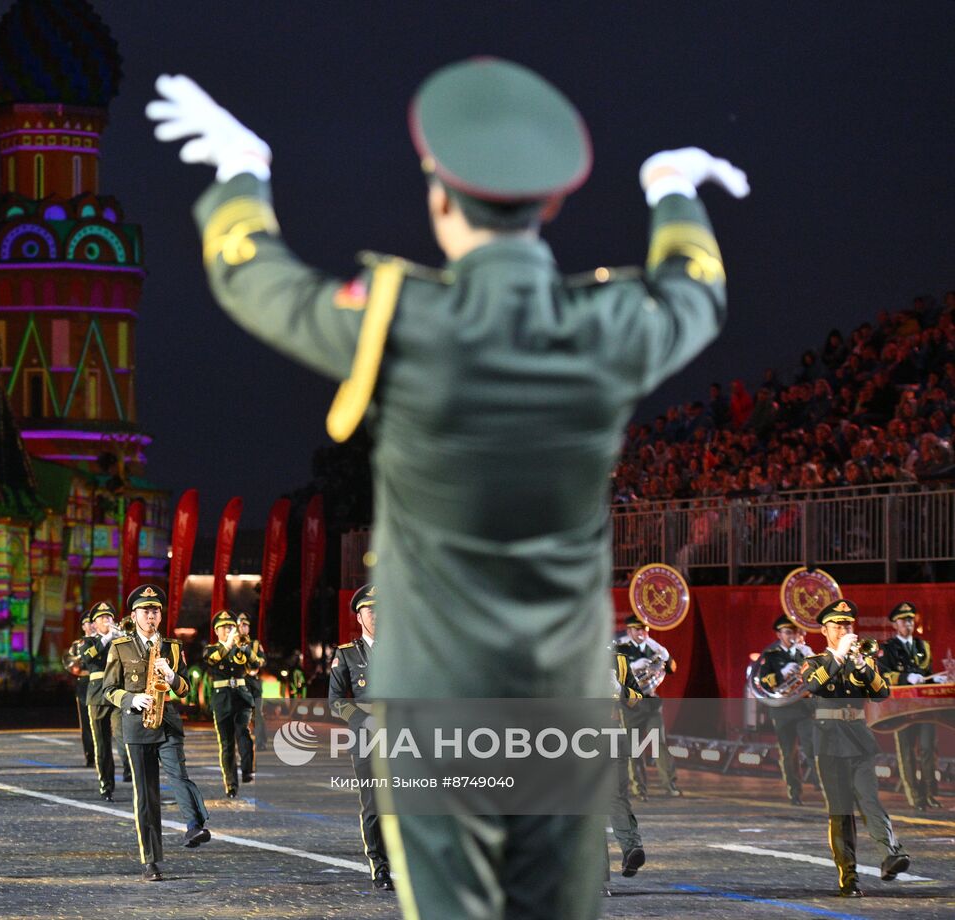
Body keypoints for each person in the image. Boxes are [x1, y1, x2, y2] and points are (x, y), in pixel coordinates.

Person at [147, 56, 747, 919]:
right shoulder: (609, 323)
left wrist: (244, 173)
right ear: (555, 203)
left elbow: (257, 279)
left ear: (439, 198)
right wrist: (672, 191)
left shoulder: (404, 318)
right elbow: (697, 292)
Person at [800, 599, 910, 897]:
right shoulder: (816, 662)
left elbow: (881, 693)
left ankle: (891, 855)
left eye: (848, 625)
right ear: (825, 630)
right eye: (838, 626)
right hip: (830, 741)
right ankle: (848, 877)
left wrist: (863, 666)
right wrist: (837, 655)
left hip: (859, 739)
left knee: (870, 799)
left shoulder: (862, 660)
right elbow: (815, 687)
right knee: (841, 812)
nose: (845, 630)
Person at [100, 584, 211, 880]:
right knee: (146, 794)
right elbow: (108, 689)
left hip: (168, 721)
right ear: (134, 615)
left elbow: (185, 688)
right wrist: (132, 699)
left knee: (179, 774)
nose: (151, 616)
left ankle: (194, 826)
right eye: (146, 611)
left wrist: (173, 676)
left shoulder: (173, 647)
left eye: (155, 611)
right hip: (136, 724)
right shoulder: (120, 647)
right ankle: (150, 860)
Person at [328, 586, 392, 891]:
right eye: (370, 610)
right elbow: (335, 700)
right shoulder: (347, 654)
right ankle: (379, 866)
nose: (376, 615)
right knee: (373, 803)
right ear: (359, 616)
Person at [881, 602, 942, 809]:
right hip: (901, 708)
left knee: (928, 748)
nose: (907, 624)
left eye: (910, 620)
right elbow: (884, 676)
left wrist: (938, 680)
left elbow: (928, 675)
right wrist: (907, 677)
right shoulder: (887, 648)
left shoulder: (922, 646)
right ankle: (915, 797)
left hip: (923, 706)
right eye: (903, 620)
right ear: (895, 624)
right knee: (907, 751)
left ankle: (929, 793)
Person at [614, 615, 682, 798]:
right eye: (638, 630)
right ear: (629, 631)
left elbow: (672, 669)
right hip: (630, 704)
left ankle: (670, 785)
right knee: (633, 747)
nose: (642, 633)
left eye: (644, 630)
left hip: (651, 701)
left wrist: (666, 658)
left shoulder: (654, 647)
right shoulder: (619, 646)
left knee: (659, 743)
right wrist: (633, 666)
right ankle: (639, 789)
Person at [754, 613, 817, 805]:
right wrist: (781, 673)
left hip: (804, 707)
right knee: (789, 753)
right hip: (782, 710)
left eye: (795, 632)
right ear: (779, 635)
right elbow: (763, 681)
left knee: (812, 746)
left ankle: (820, 782)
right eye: (788, 632)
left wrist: (811, 660)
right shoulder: (771, 656)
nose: (792, 636)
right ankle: (795, 791)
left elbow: (817, 679)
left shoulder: (804, 652)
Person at [203, 609, 255, 796]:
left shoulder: (240, 648)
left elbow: (255, 665)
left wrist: (244, 648)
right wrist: (227, 644)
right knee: (226, 743)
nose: (228, 630)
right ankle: (231, 784)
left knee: (243, 732)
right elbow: (211, 660)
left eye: (231, 627)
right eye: (224, 628)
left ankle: (248, 769)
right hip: (222, 699)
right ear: (217, 631)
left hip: (241, 696)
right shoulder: (211, 649)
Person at [608, 648, 646, 880]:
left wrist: (620, 690)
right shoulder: (619, 659)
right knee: (615, 797)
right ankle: (631, 846)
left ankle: (594, 876)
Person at [82, 601, 126, 801]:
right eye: (101, 618)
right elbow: (88, 659)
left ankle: (130, 772)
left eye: (108, 617)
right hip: (97, 695)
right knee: (102, 744)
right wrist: (107, 638)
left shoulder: (120, 640)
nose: (106, 621)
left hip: (117, 693)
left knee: (123, 735)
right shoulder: (89, 642)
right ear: (94, 624)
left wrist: (122, 639)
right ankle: (106, 785)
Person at [66, 610, 97, 768]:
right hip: (84, 683)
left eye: (92, 622)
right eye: (87, 623)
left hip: (101, 682)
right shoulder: (77, 645)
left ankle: (101, 754)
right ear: (83, 626)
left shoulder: (103, 641)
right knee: (86, 722)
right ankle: (90, 755)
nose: (90, 626)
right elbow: (70, 663)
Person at [237, 612, 267, 752]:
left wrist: (251, 655)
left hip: (254, 680)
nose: (244, 628)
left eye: (246, 626)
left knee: (258, 713)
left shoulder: (255, 644)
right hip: (241, 680)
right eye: (242, 626)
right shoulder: (234, 644)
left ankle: (261, 742)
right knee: (241, 712)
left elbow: (263, 661)